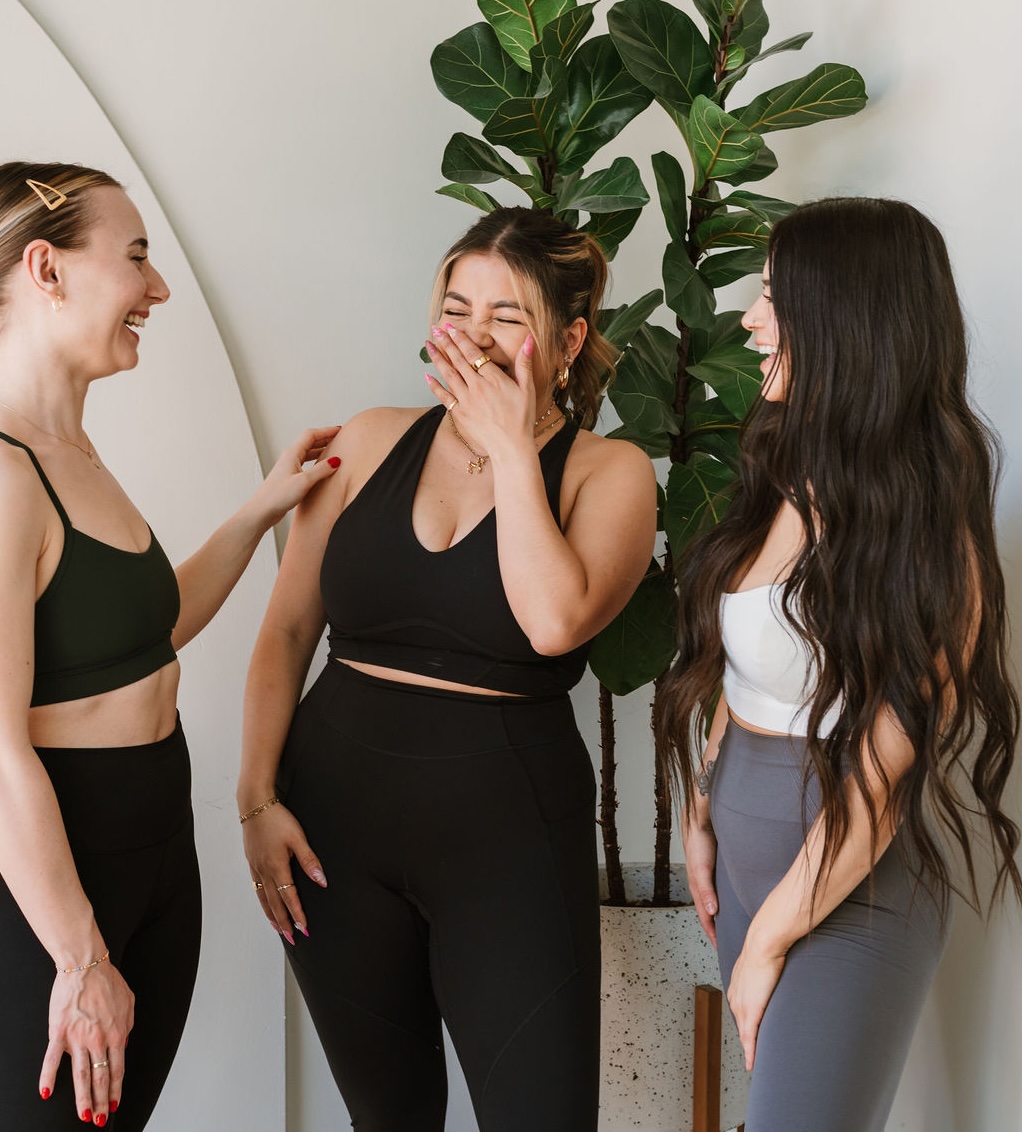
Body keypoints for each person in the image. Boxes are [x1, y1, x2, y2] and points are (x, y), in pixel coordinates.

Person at [238, 205, 657, 1130]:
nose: (472, 336)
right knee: (388, 1119)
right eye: (456, 307)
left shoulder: (609, 473)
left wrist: (513, 445)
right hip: (330, 833)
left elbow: (553, 623)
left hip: (507, 840)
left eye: (507, 316)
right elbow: (284, 634)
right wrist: (256, 801)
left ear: (569, 337)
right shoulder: (372, 439)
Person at [656, 196, 1021, 1131]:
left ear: (846, 317)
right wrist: (703, 807)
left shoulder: (934, 535)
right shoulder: (785, 471)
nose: (749, 317)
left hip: (843, 889)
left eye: (774, 295)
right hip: (742, 864)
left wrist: (770, 941)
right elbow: (746, 675)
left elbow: (880, 776)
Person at [0, 161, 341, 1130]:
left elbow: (141, 633)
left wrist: (263, 506)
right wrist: (77, 956)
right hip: (59, 871)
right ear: (46, 268)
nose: (157, 289)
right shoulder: (5, 468)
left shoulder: (73, 450)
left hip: (152, 845)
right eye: (137, 258)